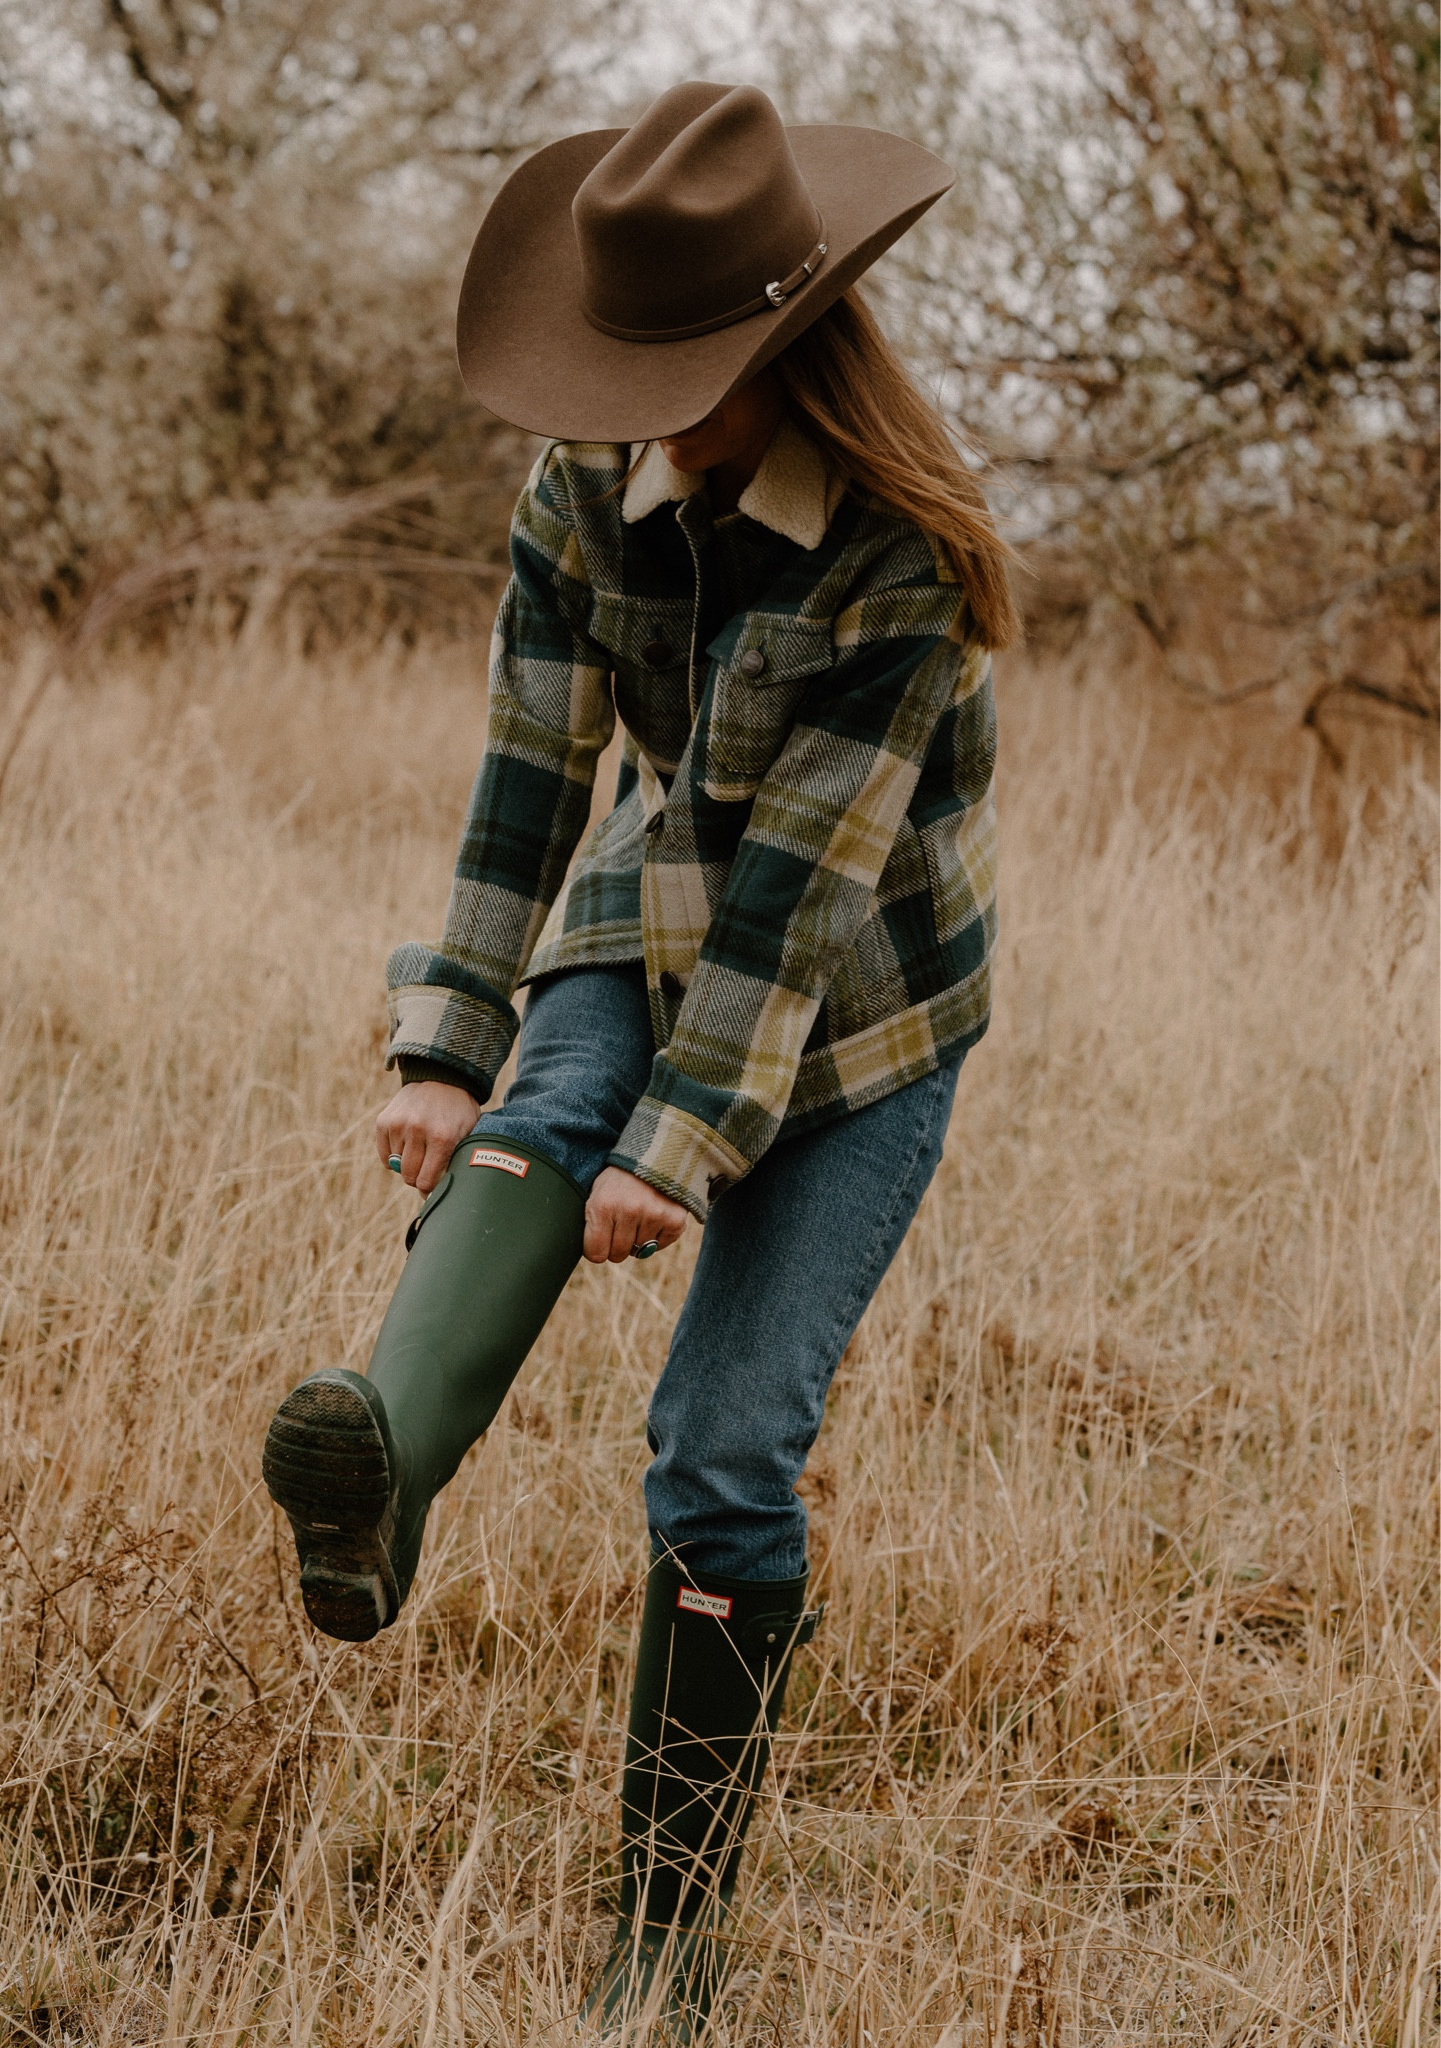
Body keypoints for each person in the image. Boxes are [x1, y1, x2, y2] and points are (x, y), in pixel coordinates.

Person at [263, 80, 1017, 2040]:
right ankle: (379, 1480)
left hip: (857, 1012)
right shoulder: (588, 490)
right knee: (525, 1113)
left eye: (670, 369)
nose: (628, 410)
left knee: (721, 1444)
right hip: (646, 900)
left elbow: (799, 910)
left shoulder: (897, 568)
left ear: (782, 346)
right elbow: (532, 771)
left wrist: (676, 1148)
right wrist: (442, 1042)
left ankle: (664, 1944)